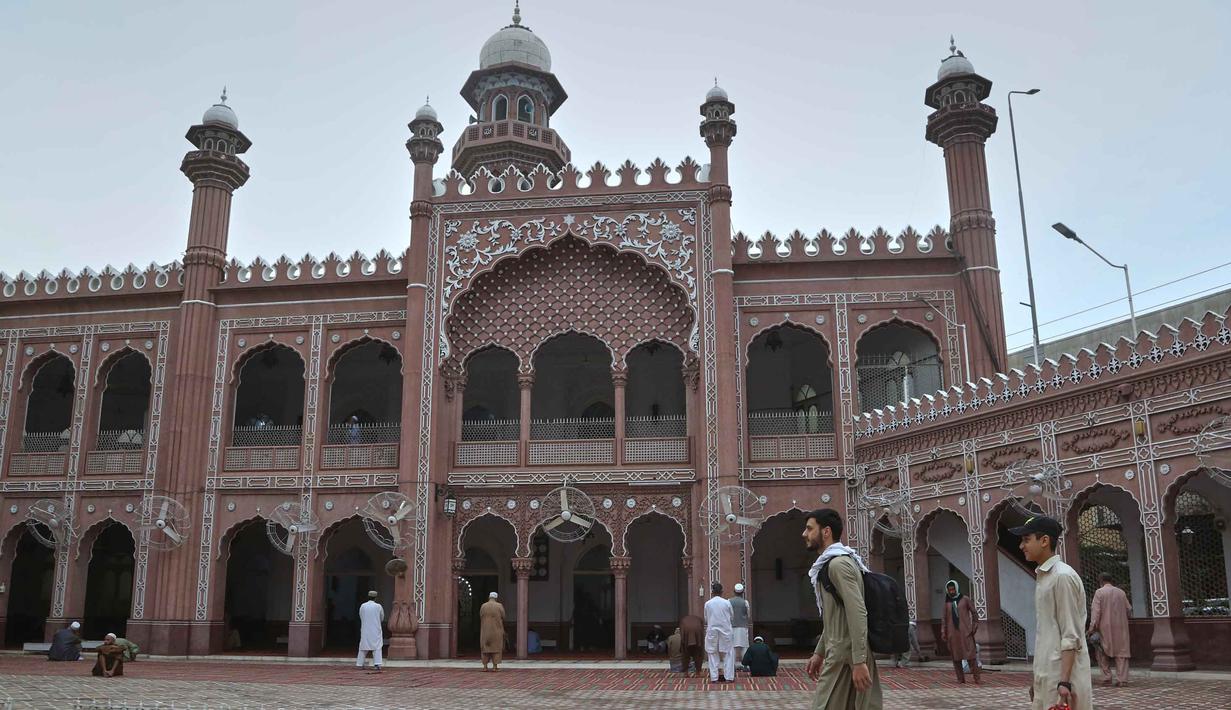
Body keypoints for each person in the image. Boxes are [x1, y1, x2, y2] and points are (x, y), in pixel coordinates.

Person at [803, 508, 882, 710]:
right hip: (841, 653)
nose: (805, 534)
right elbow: (834, 618)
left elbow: (857, 612)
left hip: (847, 656)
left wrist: (859, 661)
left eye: (810, 529)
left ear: (826, 531)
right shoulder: (830, 564)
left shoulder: (838, 565)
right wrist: (819, 652)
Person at [1011, 515, 1092, 710]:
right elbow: (1047, 634)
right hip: (1048, 675)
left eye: (1026, 539)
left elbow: (1070, 635)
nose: (1022, 546)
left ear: (1044, 541)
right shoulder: (1045, 576)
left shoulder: (1062, 577)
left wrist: (1064, 683)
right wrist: (1038, 680)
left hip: (1062, 679)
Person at [1088, 572, 1131, 687]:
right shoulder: (1121, 593)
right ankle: (1122, 679)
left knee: (1102, 652)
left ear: (1101, 581)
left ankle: (1106, 677)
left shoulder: (1099, 593)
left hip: (1104, 628)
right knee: (1122, 653)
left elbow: (1096, 612)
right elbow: (1129, 609)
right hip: (1121, 627)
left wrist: (1092, 628)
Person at [940, 580, 980, 683]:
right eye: (950, 590)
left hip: (965, 632)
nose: (952, 591)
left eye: (953, 589)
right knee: (956, 657)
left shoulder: (965, 599)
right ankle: (960, 679)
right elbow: (944, 619)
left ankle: (977, 678)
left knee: (971, 656)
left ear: (957, 588)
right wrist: (943, 632)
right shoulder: (947, 603)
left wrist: (973, 627)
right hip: (953, 634)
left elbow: (974, 613)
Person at [703, 583, 735, 683]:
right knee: (728, 653)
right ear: (722, 591)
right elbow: (732, 616)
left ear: (712, 592)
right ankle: (729, 677)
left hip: (712, 630)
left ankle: (714, 678)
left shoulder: (708, 604)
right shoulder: (727, 603)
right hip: (725, 631)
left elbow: (706, 618)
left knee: (712, 653)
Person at [356, 590, 385, 671]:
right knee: (377, 647)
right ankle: (377, 664)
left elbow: (361, 616)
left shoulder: (363, 606)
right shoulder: (378, 606)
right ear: (375, 597)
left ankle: (359, 664)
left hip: (365, 629)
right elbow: (382, 617)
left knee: (363, 647)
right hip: (376, 629)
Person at [480, 591, 506, 671]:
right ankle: (495, 667)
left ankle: (485, 666)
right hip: (497, 630)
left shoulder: (483, 606)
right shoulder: (499, 606)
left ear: (489, 597)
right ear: (496, 598)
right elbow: (503, 616)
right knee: (496, 648)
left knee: (485, 649)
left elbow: (481, 615)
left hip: (485, 630)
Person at [730, 582, 751, 671]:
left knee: (733, 646)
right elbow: (748, 615)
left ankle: (733, 665)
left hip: (732, 626)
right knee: (744, 646)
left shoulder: (729, 601)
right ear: (742, 592)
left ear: (734, 592)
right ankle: (745, 665)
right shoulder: (745, 602)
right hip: (743, 627)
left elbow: (729, 614)